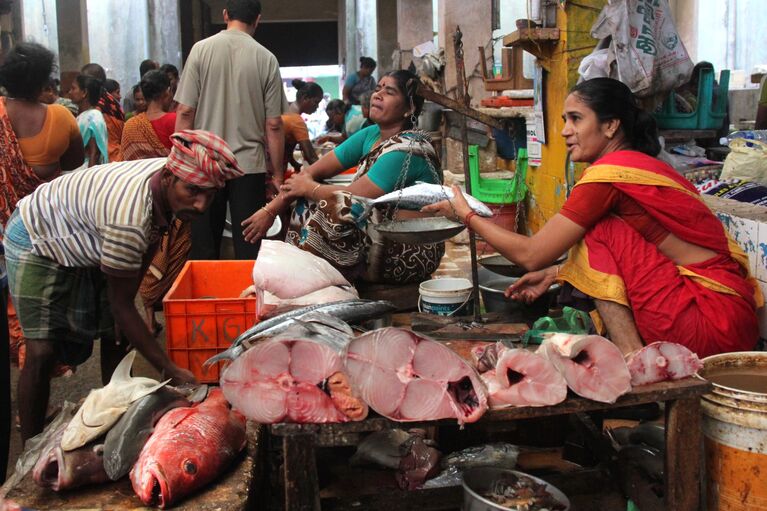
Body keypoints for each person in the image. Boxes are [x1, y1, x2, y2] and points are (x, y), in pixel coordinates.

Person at [425, 78, 761, 359]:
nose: (565, 131)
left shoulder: (607, 177)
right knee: (597, 229)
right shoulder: (640, 166)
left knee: (597, 229)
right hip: (734, 321)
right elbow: (648, 254)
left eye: (576, 119)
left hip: (704, 324)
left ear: (611, 124)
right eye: (564, 120)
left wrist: (465, 213)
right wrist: (559, 274)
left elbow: (530, 254)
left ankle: (633, 363)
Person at [4, 129, 244, 442]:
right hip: (37, 235)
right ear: (170, 177)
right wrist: (171, 368)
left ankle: (111, 420)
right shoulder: (128, 218)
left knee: (116, 334)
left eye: (209, 195)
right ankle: (31, 450)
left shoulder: (165, 177)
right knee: (42, 350)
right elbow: (121, 301)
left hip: (85, 232)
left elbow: (152, 236)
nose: (200, 205)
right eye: (193, 191)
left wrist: (130, 303)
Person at [243, 70, 444, 284]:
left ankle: (313, 280)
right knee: (308, 201)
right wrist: (271, 210)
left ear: (409, 108)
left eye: (390, 92)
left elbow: (353, 196)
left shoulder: (409, 149)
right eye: (378, 89)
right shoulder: (372, 134)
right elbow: (311, 172)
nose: (378, 95)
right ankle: (304, 278)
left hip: (408, 251)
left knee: (333, 208)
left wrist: (308, 188)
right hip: (379, 238)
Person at [175, 0, 287, 260]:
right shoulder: (266, 58)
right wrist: (278, 175)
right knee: (249, 242)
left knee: (204, 245)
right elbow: (273, 124)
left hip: (204, 164)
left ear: (225, 15)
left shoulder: (201, 50)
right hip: (248, 167)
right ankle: (247, 297)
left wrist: (181, 162)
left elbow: (184, 112)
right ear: (257, 20)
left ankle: (208, 297)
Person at [120, 70, 187, 333]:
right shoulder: (174, 121)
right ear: (165, 93)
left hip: (141, 197)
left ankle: (148, 318)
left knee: (149, 255)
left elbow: (126, 164)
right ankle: (176, 316)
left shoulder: (131, 125)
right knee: (176, 254)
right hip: (172, 200)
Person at [81, 62, 125, 162]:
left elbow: (95, 150)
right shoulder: (112, 101)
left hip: (105, 160)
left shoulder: (95, 109)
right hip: (119, 156)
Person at [69, 74, 109, 168]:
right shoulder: (80, 116)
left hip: (84, 172)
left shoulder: (94, 117)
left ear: (84, 92)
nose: (70, 92)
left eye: (73, 88)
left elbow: (94, 153)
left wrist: (89, 178)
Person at [283, 79, 322, 172]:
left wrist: (294, 163)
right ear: (305, 98)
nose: (317, 107)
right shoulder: (296, 121)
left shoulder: (285, 110)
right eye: (316, 102)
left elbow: (284, 149)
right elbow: (311, 157)